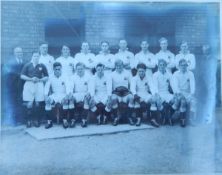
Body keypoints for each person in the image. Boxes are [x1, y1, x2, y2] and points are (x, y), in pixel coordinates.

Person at [20, 51, 48, 128]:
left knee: (38, 103)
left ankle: (36, 120)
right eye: (34, 56)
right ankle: (29, 121)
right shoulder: (27, 65)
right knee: (29, 103)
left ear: (39, 57)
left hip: (39, 84)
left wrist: (39, 80)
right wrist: (31, 79)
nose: (36, 57)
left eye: (37, 56)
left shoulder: (42, 65)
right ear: (32, 56)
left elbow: (46, 77)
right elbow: (22, 76)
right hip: (29, 84)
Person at [3, 47, 25, 125]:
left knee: (20, 103)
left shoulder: (24, 62)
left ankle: (21, 120)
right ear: (14, 53)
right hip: (14, 87)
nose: (20, 54)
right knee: (14, 103)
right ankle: (15, 121)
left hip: (22, 87)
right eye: (18, 52)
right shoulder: (11, 63)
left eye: (21, 52)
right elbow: (9, 76)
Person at [153, 59, 178, 126]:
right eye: (160, 65)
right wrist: (157, 94)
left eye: (163, 65)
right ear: (158, 66)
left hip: (167, 93)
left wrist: (175, 93)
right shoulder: (155, 75)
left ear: (166, 66)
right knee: (158, 101)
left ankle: (169, 116)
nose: (162, 66)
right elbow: (154, 86)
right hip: (159, 93)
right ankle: (164, 116)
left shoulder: (169, 74)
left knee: (176, 100)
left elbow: (173, 85)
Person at [44, 62, 69, 129]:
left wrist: (66, 96)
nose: (58, 71)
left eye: (59, 69)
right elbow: (47, 87)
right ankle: (49, 122)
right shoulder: (50, 77)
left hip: (63, 94)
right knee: (48, 102)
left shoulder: (65, 76)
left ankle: (65, 120)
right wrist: (46, 96)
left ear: (61, 69)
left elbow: (68, 87)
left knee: (65, 101)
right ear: (53, 69)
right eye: (56, 69)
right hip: (54, 95)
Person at [171, 59, 196, 127]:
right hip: (179, 93)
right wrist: (180, 94)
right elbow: (175, 86)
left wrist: (191, 94)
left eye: (185, 65)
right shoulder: (176, 74)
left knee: (194, 101)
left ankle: (191, 119)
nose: (183, 67)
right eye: (182, 65)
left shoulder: (190, 73)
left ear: (187, 66)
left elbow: (192, 84)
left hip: (187, 93)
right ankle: (182, 120)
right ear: (179, 66)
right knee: (183, 101)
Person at [67, 62, 91, 127]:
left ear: (84, 69)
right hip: (76, 94)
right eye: (78, 69)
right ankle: (72, 120)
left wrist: (89, 93)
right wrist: (70, 94)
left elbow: (91, 87)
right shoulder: (72, 77)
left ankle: (84, 120)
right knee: (71, 99)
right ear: (76, 69)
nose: (80, 70)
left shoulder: (88, 76)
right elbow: (70, 87)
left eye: (81, 69)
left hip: (85, 93)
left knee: (86, 99)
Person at [110, 59, 134, 126]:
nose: (119, 67)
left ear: (123, 66)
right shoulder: (112, 74)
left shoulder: (128, 73)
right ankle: (116, 117)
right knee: (113, 98)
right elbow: (110, 86)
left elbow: (131, 84)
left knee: (131, 98)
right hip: (116, 93)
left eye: (120, 66)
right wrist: (111, 94)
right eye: (117, 66)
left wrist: (131, 91)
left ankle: (129, 117)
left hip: (126, 93)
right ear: (115, 66)